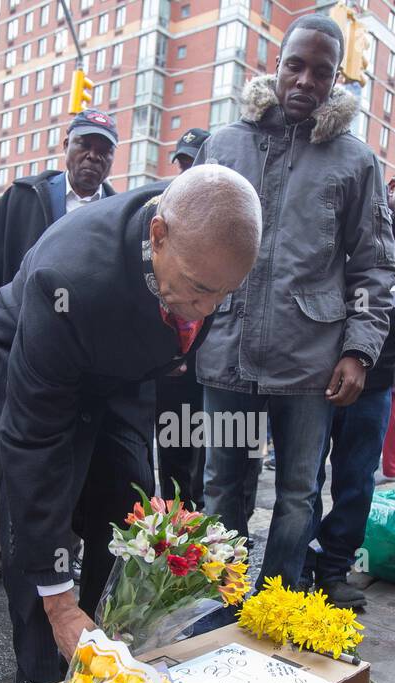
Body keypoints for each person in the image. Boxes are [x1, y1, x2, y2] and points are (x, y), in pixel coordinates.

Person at [0, 167, 262, 683]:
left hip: (124, 368)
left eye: (224, 295)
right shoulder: (70, 277)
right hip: (40, 348)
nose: (208, 309)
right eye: (201, 290)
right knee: (36, 503)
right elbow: (36, 446)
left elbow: (179, 360)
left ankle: (103, 641)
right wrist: (58, 600)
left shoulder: (201, 256)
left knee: (128, 497)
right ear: (157, 236)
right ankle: (39, 664)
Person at [193, 13, 394, 600]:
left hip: (309, 361)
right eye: (295, 65)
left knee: (299, 491)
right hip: (227, 350)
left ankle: (276, 604)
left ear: (336, 83)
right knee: (222, 484)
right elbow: (188, 243)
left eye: (322, 72)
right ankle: (217, 600)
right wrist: (181, 330)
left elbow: (374, 264)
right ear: (276, 67)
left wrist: (359, 351)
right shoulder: (224, 144)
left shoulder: (355, 161)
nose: (305, 80)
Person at [0, 109, 120, 601]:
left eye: (103, 150)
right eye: (84, 146)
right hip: (18, 353)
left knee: (70, 463)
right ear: (66, 146)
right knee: (11, 459)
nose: (92, 157)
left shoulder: (118, 213)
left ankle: (56, 561)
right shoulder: (24, 198)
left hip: (81, 367)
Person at [308, 159, 395, 608]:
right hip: (321, 369)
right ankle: (295, 559)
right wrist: (382, 273)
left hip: (378, 381)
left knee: (356, 481)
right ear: (392, 187)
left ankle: (333, 570)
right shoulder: (357, 226)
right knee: (303, 475)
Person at [156, 131, 210, 508]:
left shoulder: (225, 223)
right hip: (173, 363)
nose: (185, 171)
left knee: (222, 447)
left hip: (215, 362)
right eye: (182, 164)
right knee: (173, 446)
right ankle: (177, 522)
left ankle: (212, 527)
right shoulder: (162, 215)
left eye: (194, 164)